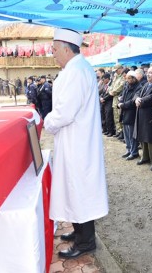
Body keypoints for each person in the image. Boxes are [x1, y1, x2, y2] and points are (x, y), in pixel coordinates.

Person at [44, 28, 108, 259]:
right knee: (74, 188)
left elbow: (64, 112)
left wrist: (46, 122)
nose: (52, 54)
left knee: (80, 190)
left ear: (64, 48)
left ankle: (86, 241)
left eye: (54, 50)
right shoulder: (75, 68)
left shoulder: (77, 72)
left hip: (77, 142)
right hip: (74, 139)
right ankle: (79, 230)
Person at [134, 66, 152, 171]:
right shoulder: (146, 84)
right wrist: (137, 98)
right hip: (142, 114)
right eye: (148, 72)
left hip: (151, 115)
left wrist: (141, 100)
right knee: (143, 137)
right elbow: (137, 93)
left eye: (151, 73)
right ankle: (145, 157)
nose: (148, 74)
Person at [118, 70, 142, 161]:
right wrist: (120, 103)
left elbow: (133, 101)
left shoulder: (138, 87)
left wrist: (122, 105)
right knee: (126, 134)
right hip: (124, 112)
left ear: (134, 78)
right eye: (126, 78)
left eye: (129, 78)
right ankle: (128, 150)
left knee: (132, 134)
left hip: (131, 113)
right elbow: (122, 97)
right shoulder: (126, 86)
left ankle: (134, 152)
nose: (127, 80)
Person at [109, 63, 125, 140]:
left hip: (119, 99)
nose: (116, 72)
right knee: (116, 116)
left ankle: (122, 132)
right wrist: (110, 91)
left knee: (119, 116)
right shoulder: (115, 77)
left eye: (117, 70)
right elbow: (111, 86)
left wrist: (113, 92)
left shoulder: (123, 77)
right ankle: (119, 131)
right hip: (114, 99)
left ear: (120, 69)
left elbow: (121, 86)